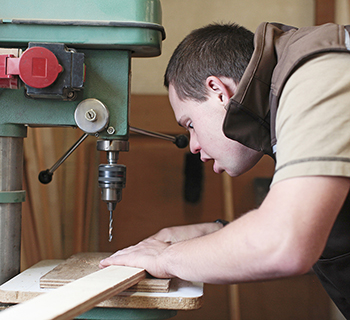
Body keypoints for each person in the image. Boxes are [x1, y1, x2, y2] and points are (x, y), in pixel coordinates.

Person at [100, 22, 350, 317]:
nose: (192, 145)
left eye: (190, 124)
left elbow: (287, 245)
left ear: (218, 91)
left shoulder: (314, 74)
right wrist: (214, 233)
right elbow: (314, 221)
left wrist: (165, 259)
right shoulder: (285, 96)